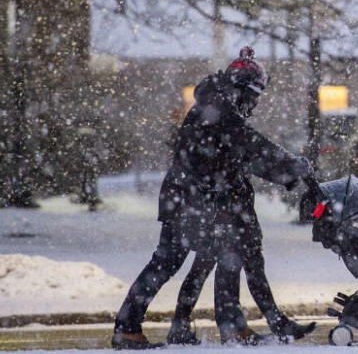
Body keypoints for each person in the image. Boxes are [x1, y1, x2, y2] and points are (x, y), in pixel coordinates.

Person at [112, 48, 313, 349]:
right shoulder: (221, 109)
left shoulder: (218, 104)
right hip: (190, 199)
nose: (254, 105)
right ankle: (130, 328)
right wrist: (291, 164)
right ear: (242, 89)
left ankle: (229, 328)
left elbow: (245, 156)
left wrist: (287, 174)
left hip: (194, 197)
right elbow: (252, 144)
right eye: (254, 97)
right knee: (170, 261)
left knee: (218, 254)